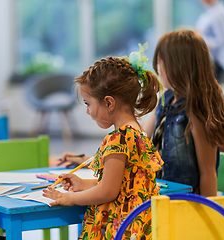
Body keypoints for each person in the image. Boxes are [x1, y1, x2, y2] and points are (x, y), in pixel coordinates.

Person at [43, 45, 164, 240]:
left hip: (120, 227)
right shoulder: (138, 132)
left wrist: (70, 198)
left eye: (88, 103)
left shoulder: (120, 138)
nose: (87, 111)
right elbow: (122, 185)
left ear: (109, 103)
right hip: (135, 226)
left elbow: (107, 191)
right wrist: (82, 184)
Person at [144, 30, 224, 197]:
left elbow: (208, 172)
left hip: (187, 202)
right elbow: (141, 139)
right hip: (161, 195)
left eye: (161, 62)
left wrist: (208, 218)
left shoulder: (196, 109)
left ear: (178, 65)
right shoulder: (165, 100)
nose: (157, 68)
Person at [196, 0, 224, 82]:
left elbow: (222, 40)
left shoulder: (219, 13)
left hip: (216, 63)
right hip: (207, 62)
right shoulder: (208, 12)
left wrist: (203, 43)